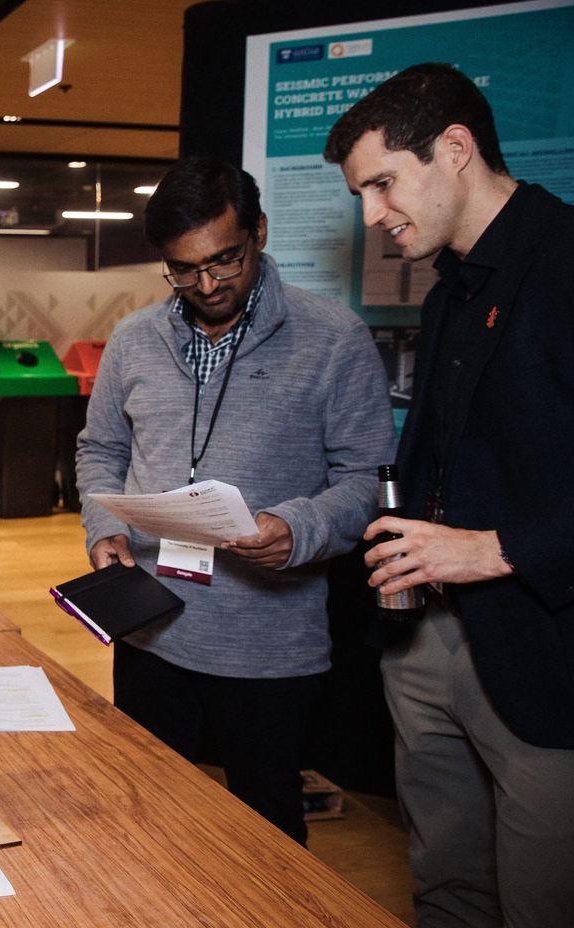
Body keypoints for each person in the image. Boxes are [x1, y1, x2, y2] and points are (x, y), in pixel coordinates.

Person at [75, 156, 394, 844]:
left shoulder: (333, 339)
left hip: (267, 644)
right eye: (183, 269)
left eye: (225, 260)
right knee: (144, 815)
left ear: (260, 232)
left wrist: (299, 527)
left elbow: (368, 478)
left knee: (264, 831)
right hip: (150, 627)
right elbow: (100, 449)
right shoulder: (134, 339)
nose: (207, 284)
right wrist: (104, 529)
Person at [326, 63, 574, 928]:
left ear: (456, 149)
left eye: (383, 183)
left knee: (542, 902)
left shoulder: (566, 265)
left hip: (544, 659)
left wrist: (496, 549)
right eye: (361, 193)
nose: (372, 215)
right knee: (445, 890)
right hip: (425, 641)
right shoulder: (450, 296)